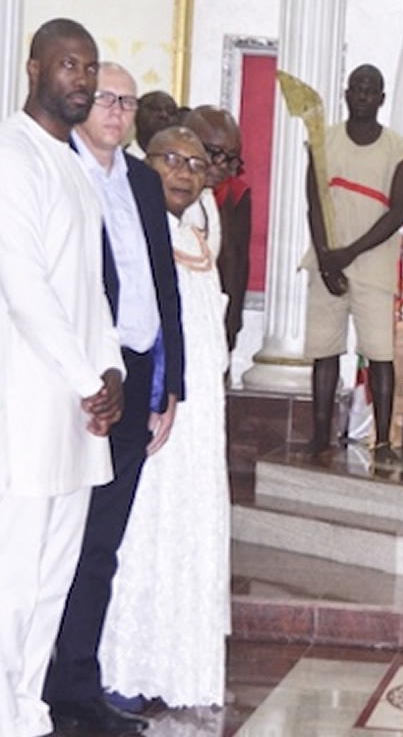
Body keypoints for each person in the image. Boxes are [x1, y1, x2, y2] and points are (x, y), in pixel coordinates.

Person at [43, 61, 185, 735]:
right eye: (106, 98)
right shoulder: (54, 170)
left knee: (101, 544)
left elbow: (162, 283)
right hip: (74, 379)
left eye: (127, 102)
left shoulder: (142, 182)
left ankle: (75, 684)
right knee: (53, 539)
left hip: (137, 375)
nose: (117, 111)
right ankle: (30, 681)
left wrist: (171, 380)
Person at [0, 17, 125, 737]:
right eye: (68, 65)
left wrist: (109, 370)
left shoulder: (75, 167)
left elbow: (92, 292)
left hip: (79, 408)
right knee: (14, 576)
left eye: (90, 66)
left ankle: (27, 708)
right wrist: (86, 380)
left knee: (54, 576)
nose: (81, 78)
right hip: (29, 400)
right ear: (34, 69)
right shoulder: (12, 155)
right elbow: (24, 289)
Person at [97, 126, 230, 710]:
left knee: (190, 534)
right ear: (143, 163)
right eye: (170, 159)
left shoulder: (198, 234)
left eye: (196, 164)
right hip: (156, 413)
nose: (183, 172)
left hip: (201, 421)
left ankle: (180, 670)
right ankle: (122, 667)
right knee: (142, 532)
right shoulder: (131, 229)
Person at [301, 64, 403, 459]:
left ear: (382, 98)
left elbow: (398, 212)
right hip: (326, 261)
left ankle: (381, 440)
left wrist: (349, 253)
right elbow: (313, 203)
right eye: (357, 88)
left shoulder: (399, 150)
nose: (363, 96)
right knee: (325, 351)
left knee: (379, 354)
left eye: (371, 90)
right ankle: (321, 436)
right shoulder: (323, 142)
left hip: (374, 266)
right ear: (346, 93)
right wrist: (326, 258)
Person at [186, 105, 251, 352]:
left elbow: (234, 258)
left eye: (231, 158)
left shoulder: (214, 198)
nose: (222, 165)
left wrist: (231, 320)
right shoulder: (157, 190)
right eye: (214, 153)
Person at [130, 89, 179, 158]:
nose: (164, 115)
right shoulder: (120, 159)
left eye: (171, 111)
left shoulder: (181, 162)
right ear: (136, 114)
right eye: (154, 108)